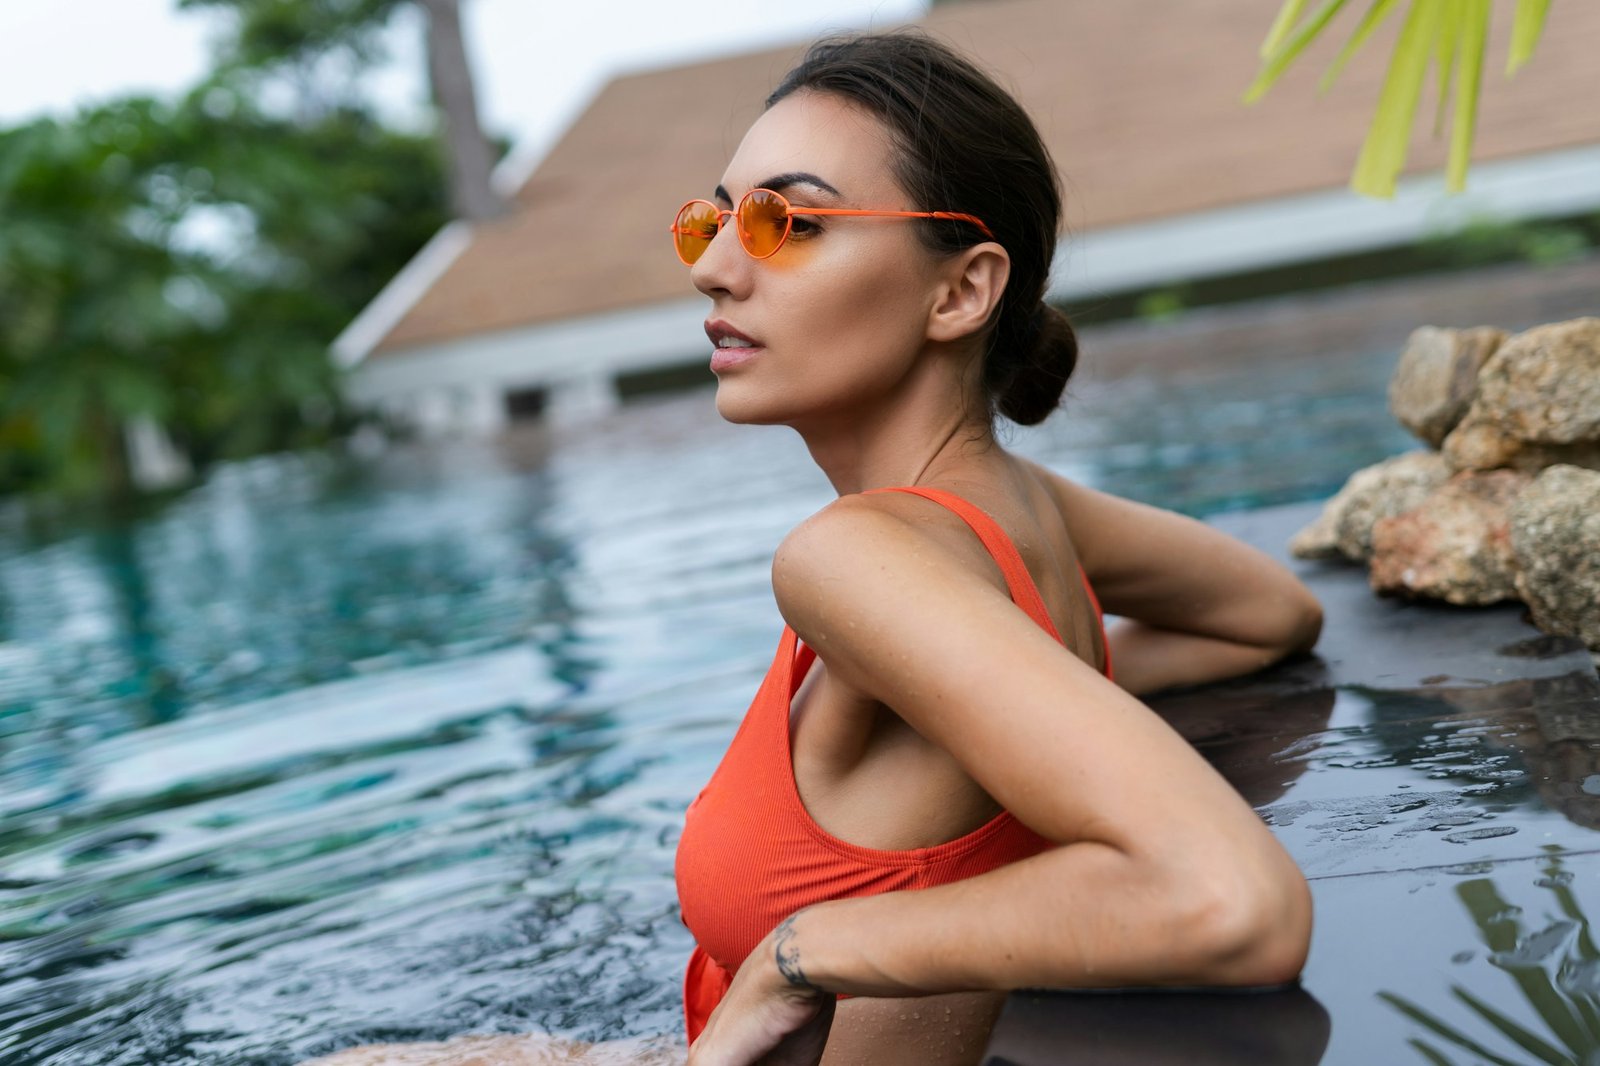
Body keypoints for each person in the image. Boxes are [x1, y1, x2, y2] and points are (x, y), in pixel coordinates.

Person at [305, 27, 1322, 1066]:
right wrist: (1023, 707)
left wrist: (805, 948)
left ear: (961, 290)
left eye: (785, 219)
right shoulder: (1024, 510)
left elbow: (1233, 902)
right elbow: (1270, 615)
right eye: (712, 219)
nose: (712, 266)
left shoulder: (852, 558)